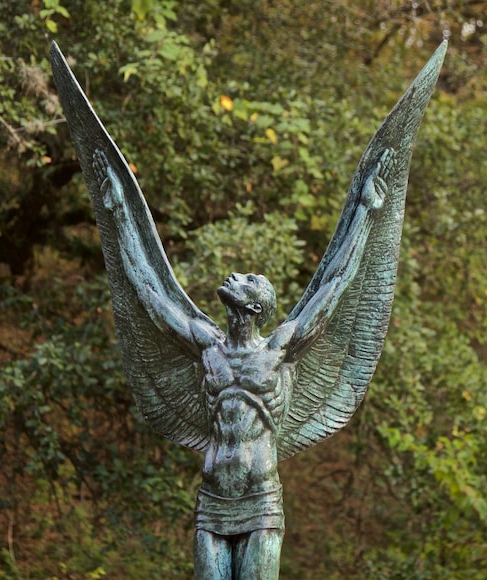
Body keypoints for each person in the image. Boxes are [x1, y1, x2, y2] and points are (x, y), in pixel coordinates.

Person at [92, 148, 391, 579]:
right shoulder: (206, 347)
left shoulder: (278, 351)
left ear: (254, 305)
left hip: (261, 500)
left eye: (247, 280)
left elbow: (335, 286)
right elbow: (150, 294)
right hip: (212, 501)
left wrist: (364, 211)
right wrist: (119, 210)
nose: (234, 277)